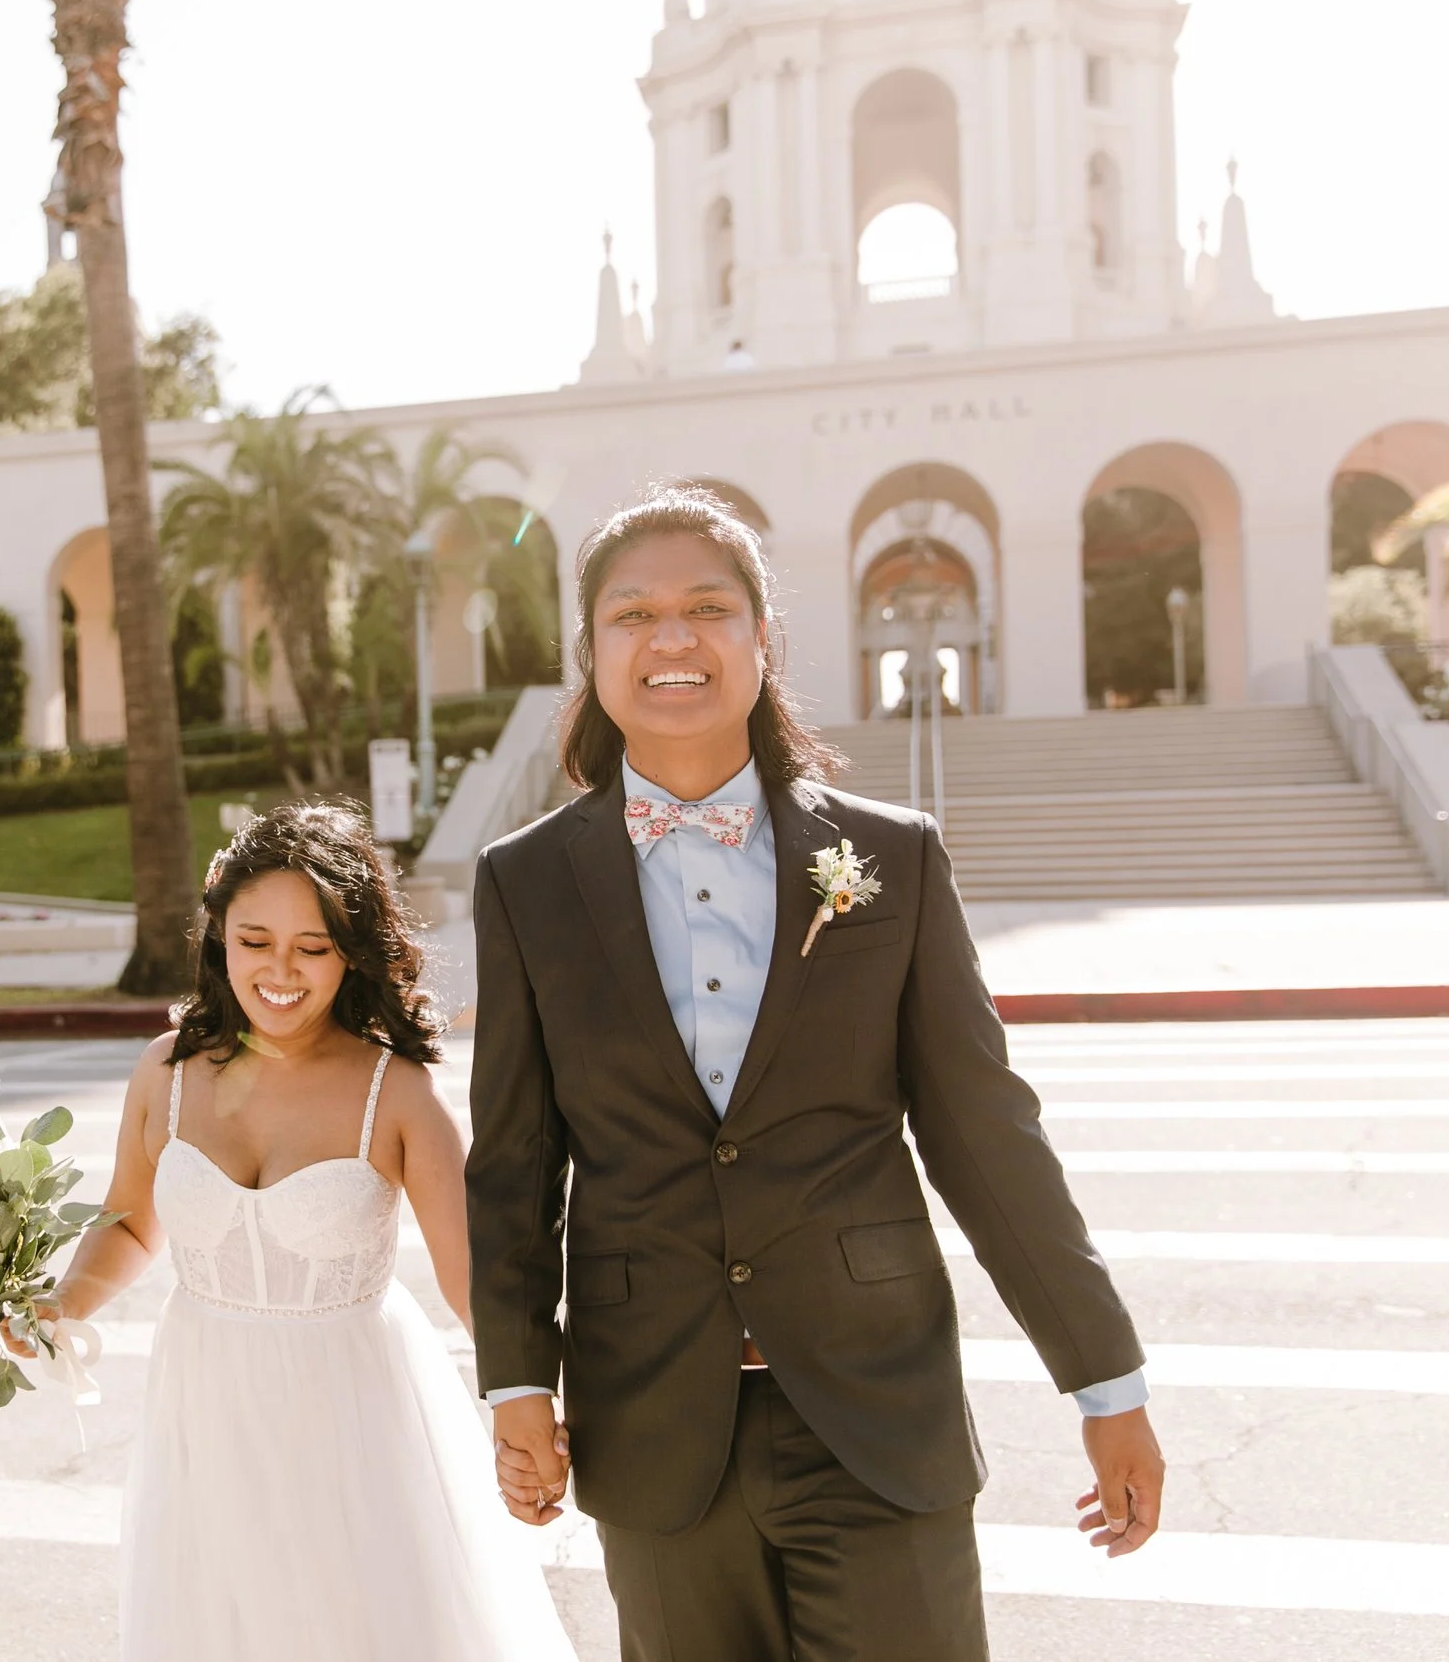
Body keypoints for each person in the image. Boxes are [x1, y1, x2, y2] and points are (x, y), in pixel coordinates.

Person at [466, 486, 1165, 1660]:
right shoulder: (522, 880)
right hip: (652, 1421)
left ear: (761, 639)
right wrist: (515, 1384)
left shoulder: (888, 855)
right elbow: (515, 1163)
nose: (672, 638)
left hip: (876, 1408)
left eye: (707, 607)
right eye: (633, 614)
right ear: (593, 656)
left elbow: (987, 1138)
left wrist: (1104, 1381)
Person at [40, 802, 576, 1662]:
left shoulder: (395, 1094)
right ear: (219, 937)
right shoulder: (166, 1070)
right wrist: (62, 1303)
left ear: (351, 951)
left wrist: (531, 1422)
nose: (279, 969)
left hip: (354, 1419)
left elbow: (477, 1280)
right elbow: (133, 1223)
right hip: (206, 1414)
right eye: (255, 940)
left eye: (311, 946)